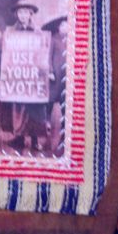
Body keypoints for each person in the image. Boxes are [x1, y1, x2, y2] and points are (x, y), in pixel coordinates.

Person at [0, 0, 49, 153]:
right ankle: (19, 138)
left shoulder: (38, 33)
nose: (23, 15)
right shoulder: (10, 33)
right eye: (20, 12)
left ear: (30, 14)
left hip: (33, 77)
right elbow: (6, 53)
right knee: (18, 109)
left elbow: (43, 53)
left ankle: (34, 141)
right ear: (16, 14)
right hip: (18, 77)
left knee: (34, 109)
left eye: (26, 12)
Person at [48, 17, 67, 153]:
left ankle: (63, 136)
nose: (65, 27)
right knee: (49, 102)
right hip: (55, 76)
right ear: (58, 27)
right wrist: (50, 71)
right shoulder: (53, 39)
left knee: (65, 104)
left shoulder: (72, 40)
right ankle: (46, 127)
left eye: (67, 25)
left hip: (66, 78)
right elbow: (48, 57)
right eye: (62, 25)